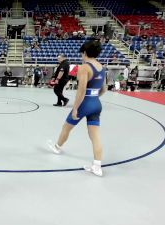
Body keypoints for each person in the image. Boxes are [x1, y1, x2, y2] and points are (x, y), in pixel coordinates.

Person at [47, 40, 107, 177]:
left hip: (84, 103)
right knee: (95, 135)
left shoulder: (84, 67)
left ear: (84, 52)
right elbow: (104, 89)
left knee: (66, 127)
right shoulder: (101, 67)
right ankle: (97, 166)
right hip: (96, 104)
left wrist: (75, 108)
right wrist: (94, 98)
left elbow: (81, 90)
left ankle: (57, 147)